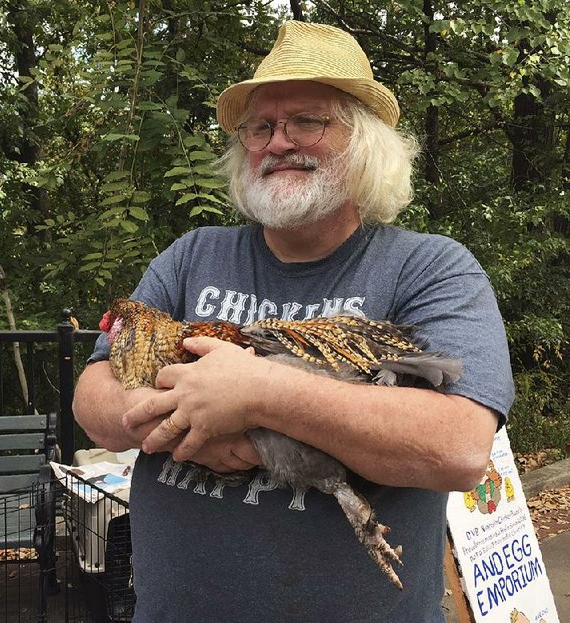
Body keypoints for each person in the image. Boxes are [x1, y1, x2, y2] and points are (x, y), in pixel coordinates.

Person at [73, 20, 514, 622]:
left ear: (364, 143)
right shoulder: (191, 255)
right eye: (261, 127)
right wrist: (202, 425)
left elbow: (459, 448)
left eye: (307, 120)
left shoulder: (429, 267)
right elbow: (93, 395)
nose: (278, 142)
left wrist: (257, 395)